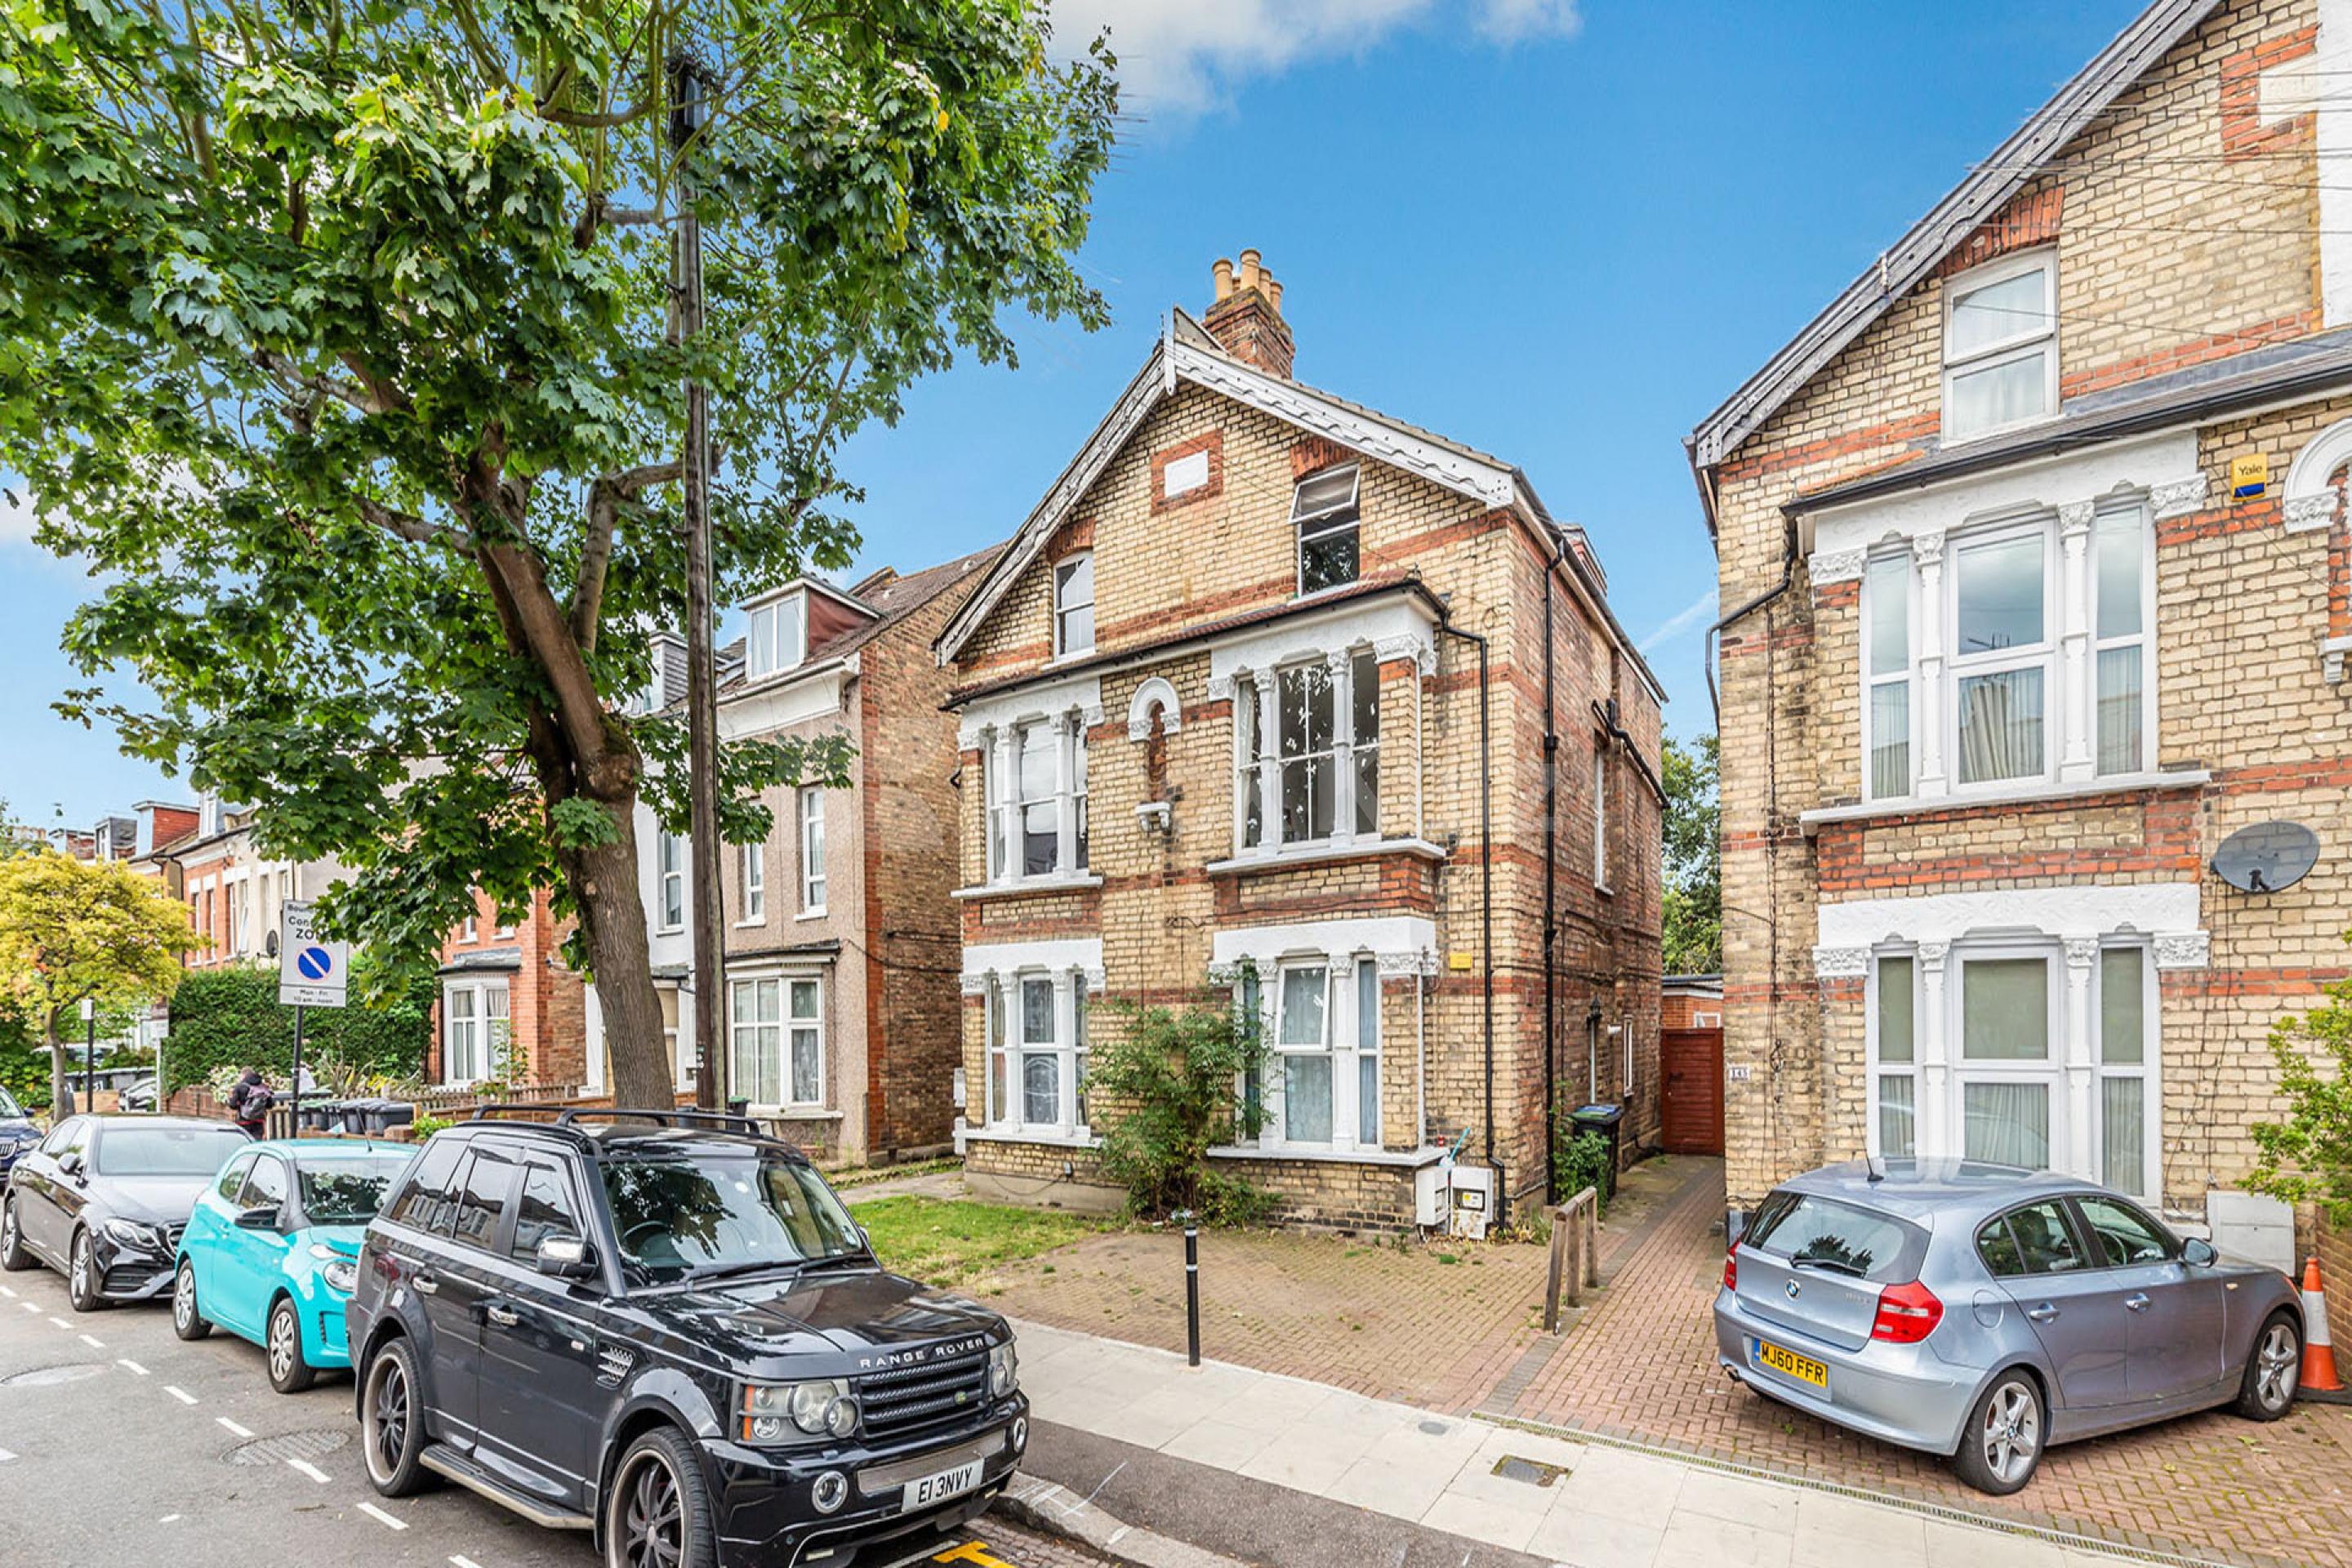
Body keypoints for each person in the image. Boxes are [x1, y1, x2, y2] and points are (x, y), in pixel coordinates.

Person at [226, 1067, 274, 1137]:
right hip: (259, 1121)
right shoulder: (263, 1087)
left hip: (243, 1122)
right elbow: (270, 1105)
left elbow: (232, 1105)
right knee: (257, 1143)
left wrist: (240, 1105)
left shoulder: (240, 1087)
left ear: (243, 1075)